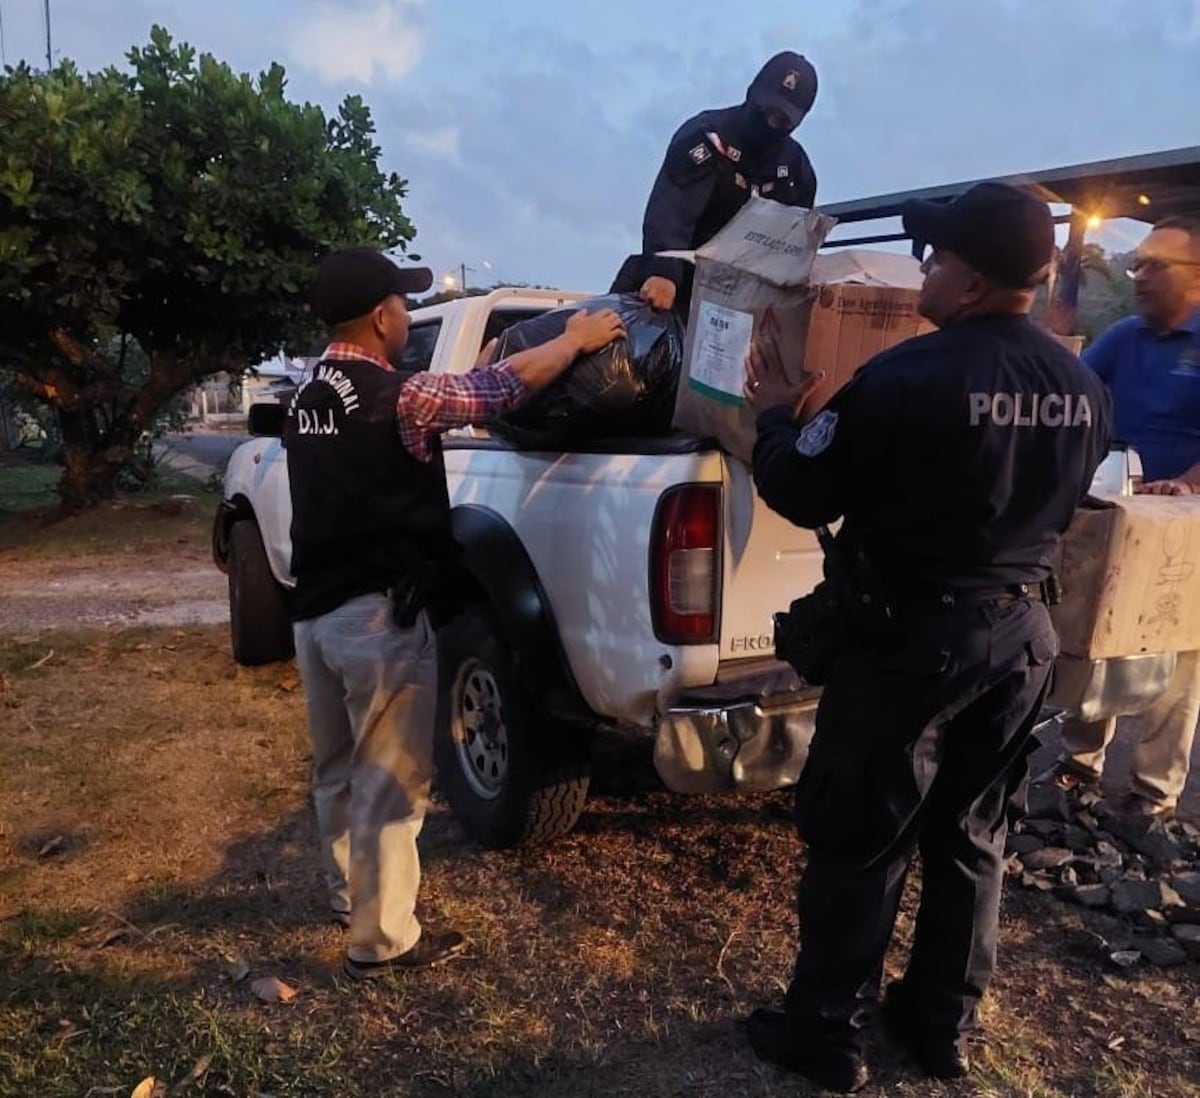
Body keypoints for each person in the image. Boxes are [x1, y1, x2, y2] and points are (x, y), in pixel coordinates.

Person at [741, 183, 1112, 1092]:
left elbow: (801, 488)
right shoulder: (1082, 384)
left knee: (864, 835)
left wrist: (776, 417)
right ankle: (942, 1024)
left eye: (936, 260)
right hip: (1021, 636)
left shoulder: (906, 376)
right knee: (973, 834)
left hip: (912, 642)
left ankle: (827, 1034)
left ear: (975, 280)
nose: (924, 276)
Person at [285, 248, 624, 980]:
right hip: (377, 619)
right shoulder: (400, 397)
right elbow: (498, 390)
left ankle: (349, 897)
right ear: (381, 317)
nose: (406, 315)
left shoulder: (307, 392)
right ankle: (383, 942)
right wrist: (574, 341)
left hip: (314, 614)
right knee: (389, 780)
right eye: (401, 304)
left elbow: (473, 382)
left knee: (337, 768)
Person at [1041, 215, 1200, 820]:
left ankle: (1154, 790)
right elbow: (1073, 388)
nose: (1141, 275)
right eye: (1138, 264)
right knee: (1097, 631)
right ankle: (1080, 760)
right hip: (1120, 510)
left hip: (1185, 520)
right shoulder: (1125, 337)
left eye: (1156, 265)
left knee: (1178, 651)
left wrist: (1186, 483)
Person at [610, 51, 818, 318]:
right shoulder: (706, 136)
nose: (769, 123)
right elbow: (672, 211)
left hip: (742, 302)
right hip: (677, 283)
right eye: (765, 110)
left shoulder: (796, 171)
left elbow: (792, 249)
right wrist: (663, 272)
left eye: (781, 120)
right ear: (751, 93)